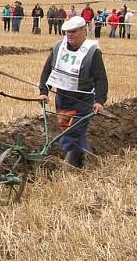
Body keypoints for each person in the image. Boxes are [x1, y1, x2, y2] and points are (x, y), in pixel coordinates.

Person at [38, 15, 108, 168]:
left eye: (74, 31)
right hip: (62, 97)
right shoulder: (58, 47)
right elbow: (48, 70)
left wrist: (99, 101)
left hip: (83, 99)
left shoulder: (92, 52)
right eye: (67, 32)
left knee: (74, 131)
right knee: (67, 129)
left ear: (84, 31)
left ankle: (68, 165)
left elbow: (101, 79)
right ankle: (84, 158)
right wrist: (44, 91)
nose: (70, 35)